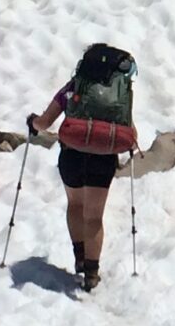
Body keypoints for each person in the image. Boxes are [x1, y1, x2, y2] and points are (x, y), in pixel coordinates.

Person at [27, 42, 138, 293]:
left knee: (75, 205)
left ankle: (79, 254)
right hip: (103, 160)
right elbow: (132, 132)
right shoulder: (119, 93)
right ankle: (91, 271)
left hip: (72, 157)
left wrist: (32, 123)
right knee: (94, 216)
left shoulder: (73, 87)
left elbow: (44, 122)